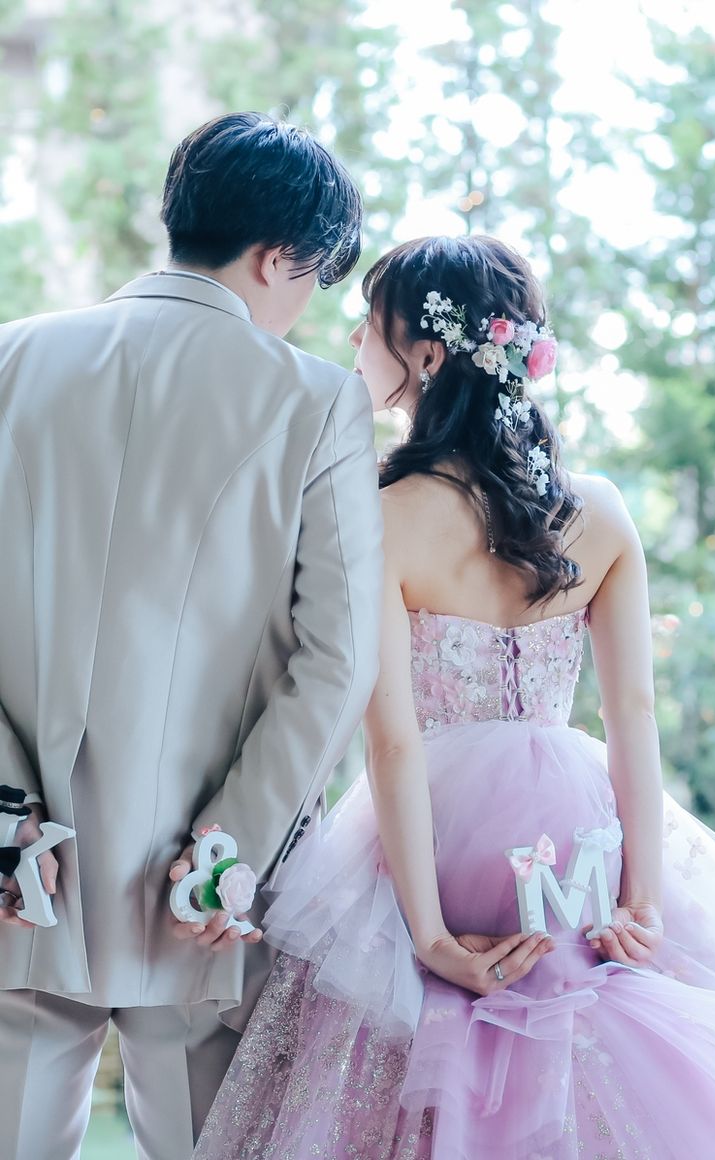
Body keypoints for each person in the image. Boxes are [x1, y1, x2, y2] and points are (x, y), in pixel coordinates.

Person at [194, 234, 715, 1158]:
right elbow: (632, 715)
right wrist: (644, 897)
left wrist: (431, 936)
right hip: (579, 836)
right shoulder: (600, 510)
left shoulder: (374, 511)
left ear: (428, 355)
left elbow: (392, 743)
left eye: (369, 324)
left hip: (436, 835)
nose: (355, 342)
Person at [0, 112, 383, 1160]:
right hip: (198, 898)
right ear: (278, 257)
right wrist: (226, 851)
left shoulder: (10, 359)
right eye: (314, 279)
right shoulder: (317, 401)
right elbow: (340, 659)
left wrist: (5, 811)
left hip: (22, 880)